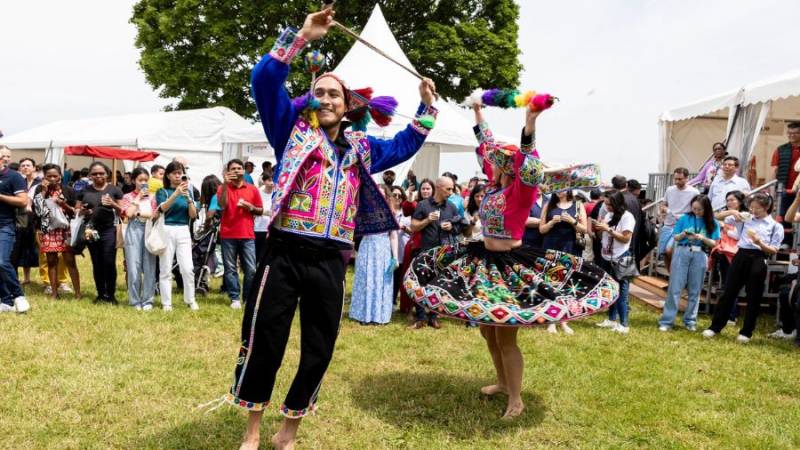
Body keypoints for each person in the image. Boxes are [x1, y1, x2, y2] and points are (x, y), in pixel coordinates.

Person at [221, 9, 438, 450]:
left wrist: (428, 104)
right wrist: (301, 36)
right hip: (283, 253)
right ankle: (251, 431)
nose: (326, 97)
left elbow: (406, 142)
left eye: (334, 94)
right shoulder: (291, 131)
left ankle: (288, 432)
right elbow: (263, 83)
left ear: (348, 104)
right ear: (311, 99)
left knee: (318, 348)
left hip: (330, 260)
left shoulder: (361, 148)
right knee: (266, 341)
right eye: (318, 91)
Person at [405, 102, 615, 419]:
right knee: (488, 331)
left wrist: (529, 123)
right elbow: (486, 143)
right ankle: (503, 384)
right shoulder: (492, 186)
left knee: (505, 335)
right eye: (496, 161)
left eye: (503, 161)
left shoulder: (522, 191)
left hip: (510, 265)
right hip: (483, 261)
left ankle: (516, 400)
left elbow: (529, 162)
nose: (494, 162)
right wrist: (477, 113)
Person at [703, 193, 783, 343]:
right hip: (741, 255)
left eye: (757, 208)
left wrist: (759, 243)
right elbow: (717, 217)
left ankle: (746, 332)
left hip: (759, 257)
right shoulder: (746, 218)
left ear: (766, 207)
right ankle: (715, 326)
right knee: (728, 291)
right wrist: (733, 212)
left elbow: (773, 250)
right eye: (751, 207)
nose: (753, 210)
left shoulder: (775, 226)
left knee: (754, 295)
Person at [408, 176, 464, 329]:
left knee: (438, 285)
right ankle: (420, 317)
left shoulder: (452, 206)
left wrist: (451, 227)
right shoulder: (423, 205)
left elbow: (459, 227)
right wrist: (427, 220)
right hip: (426, 251)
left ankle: (433, 317)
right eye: (448, 189)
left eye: (452, 189)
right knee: (421, 284)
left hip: (444, 252)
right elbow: (413, 226)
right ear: (439, 187)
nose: (451, 192)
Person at [658, 195, 719, 331]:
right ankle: (667, 320)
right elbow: (675, 236)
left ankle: (690, 320)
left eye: (700, 209)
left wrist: (702, 238)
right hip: (682, 251)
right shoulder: (685, 218)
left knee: (695, 289)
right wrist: (684, 235)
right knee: (675, 287)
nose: (696, 211)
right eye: (694, 208)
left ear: (706, 209)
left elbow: (715, 243)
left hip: (700, 253)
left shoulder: (712, 222)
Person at [216, 159, 263, 309]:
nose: (236, 171)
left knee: (251, 270)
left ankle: (248, 298)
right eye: (233, 169)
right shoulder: (222, 188)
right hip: (228, 234)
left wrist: (251, 208)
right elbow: (222, 205)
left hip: (247, 234)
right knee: (230, 269)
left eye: (239, 168)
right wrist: (224, 184)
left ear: (243, 171)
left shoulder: (252, 189)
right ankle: (234, 297)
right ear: (228, 172)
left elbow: (260, 210)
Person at [75, 162, 124, 304]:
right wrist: (82, 211)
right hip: (91, 230)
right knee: (97, 263)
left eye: (101, 173)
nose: (98, 176)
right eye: (95, 173)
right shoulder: (84, 191)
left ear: (107, 174)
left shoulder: (114, 190)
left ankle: (111, 294)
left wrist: (113, 204)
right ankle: (101, 293)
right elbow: (76, 210)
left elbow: (123, 210)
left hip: (109, 230)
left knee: (109, 262)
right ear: (90, 175)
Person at [350, 185, 399, 325]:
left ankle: (379, 316)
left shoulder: (390, 213)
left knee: (381, 281)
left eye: (382, 194)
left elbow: (393, 236)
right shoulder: (364, 211)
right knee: (366, 280)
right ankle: (363, 315)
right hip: (367, 247)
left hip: (383, 248)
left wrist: (395, 257)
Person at [32, 164, 81, 300]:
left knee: (70, 261)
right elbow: (38, 211)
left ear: (60, 176)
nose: (53, 178)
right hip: (48, 230)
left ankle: (77, 293)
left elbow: (74, 211)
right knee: (51, 261)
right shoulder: (40, 189)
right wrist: (43, 190)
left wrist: (62, 203)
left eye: (55, 176)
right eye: (49, 176)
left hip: (66, 229)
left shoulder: (68, 190)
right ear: (44, 177)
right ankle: (54, 292)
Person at [155, 161, 199, 311]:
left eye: (180, 173)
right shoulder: (163, 191)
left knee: (188, 268)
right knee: (165, 267)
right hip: (166, 229)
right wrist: (176, 194)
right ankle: (166, 302)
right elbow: (162, 209)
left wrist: (188, 199)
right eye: (175, 173)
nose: (178, 176)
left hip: (183, 230)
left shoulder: (188, 192)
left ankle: (190, 299)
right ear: (168, 175)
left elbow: (193, 215)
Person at [594, 191, 636, 334]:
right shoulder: (608, 215)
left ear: (618, 204)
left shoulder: (627, 217)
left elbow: (625, 238)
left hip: (622, 257)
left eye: (609, 204)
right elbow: (601, 236)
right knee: (611, 289)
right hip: (607, 257)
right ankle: (611, 319)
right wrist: (599, 228)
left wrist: (608, 230)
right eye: (605, 204)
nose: (607, 207)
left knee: (622, 292)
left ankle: (624, 324)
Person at [120, 168, 158, 311]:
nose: (143, 183)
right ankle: (134, 300)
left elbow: (154, 215)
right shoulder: (128, 197)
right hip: (134, 230)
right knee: (133, 266)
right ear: (134, 180)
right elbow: (128, 214)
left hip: (148, 230)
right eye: (140, 180)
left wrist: (140, 212)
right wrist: (138, 198)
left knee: (149, 266)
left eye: (145, 180)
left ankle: (148, 299)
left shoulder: (153, 197)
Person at [0, 146, 31, 313]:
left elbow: (23, 202)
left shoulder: (13, 177)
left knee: (2, 261)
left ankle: (18, 296)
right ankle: (5, 301)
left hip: (5, 225)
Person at [712, 190, 747, 325]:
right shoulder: (728, 215)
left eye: (733, 200)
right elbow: (715, 217)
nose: (730, 202)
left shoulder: (746, 215)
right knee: (726, 284)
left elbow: (740, 236)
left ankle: (732, 315)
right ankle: (728, 314)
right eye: (727, 200)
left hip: (738, 253)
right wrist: (731, 212)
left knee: (732, 285)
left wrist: (727, 230)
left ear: (740, 201)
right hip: (724, 252)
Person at [658, 168, 699, 271]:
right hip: (668, 224)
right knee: (663, 251)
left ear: (686, 178)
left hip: (683, 226)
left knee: (669, 250)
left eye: (680, 179)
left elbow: (698, 209)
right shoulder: (670, 189)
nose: (677, 181)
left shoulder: (694, 192)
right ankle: (671, 274)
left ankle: (678, 272)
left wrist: (685, 218)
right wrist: (662, 210)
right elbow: (664, 204)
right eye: (675, 179)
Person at [14, 158, 40, 285]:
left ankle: (31, 278)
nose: (25, 167)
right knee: (20, 247)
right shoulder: (19, 181)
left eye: (28, 165)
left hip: (37, 220)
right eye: (23, 165)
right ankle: (21, 277)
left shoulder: (40, 183)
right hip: (21, 219)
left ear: (34, 167)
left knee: (34, 248)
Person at [539, 189, 586, 256]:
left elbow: (584, 230)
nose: (558, 190)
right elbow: (541, 230)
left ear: (568, 188)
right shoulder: (548, 205)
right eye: (557, 188)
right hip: (551, 247)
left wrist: (572, 221)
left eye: (562, 188)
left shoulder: (578, 205)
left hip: (571, 247)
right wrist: (551, 222)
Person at [390, 185, 411, 303]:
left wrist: (405, 229)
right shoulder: (387, 211)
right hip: (387, 249)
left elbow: (413, 231)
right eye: (395, 195)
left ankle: (393, 300)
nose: (397, 197)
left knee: (397, 277)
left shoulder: (407, 213)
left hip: (401, 249)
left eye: (400, 195)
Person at [254, 170, 274, 261]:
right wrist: (265, 212)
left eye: (273, 180)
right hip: (258, 227)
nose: (272, 183)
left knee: (266, 255)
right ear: (264, 181)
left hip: (271, 229)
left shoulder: (277, 193)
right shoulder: (258, 192)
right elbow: (252, 208)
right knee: (256, 253)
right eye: (269, 180)